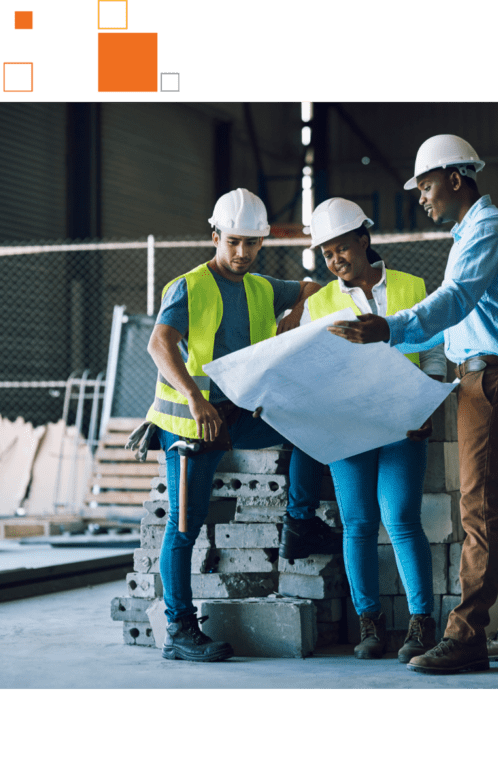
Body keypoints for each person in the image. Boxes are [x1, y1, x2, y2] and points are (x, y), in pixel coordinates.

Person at [328, 135, 498, 674]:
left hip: (495, 381)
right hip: (496, 377)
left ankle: (467, 635)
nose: (421, 198)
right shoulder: (471, 233)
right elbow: (455, 318)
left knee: (479, 508)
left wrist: (389, 327)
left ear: (456, 178)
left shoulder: (488, 231)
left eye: (426, 186)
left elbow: (453, 302)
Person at [143, 188, 339, 662]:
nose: (242, 253)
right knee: (184, 527)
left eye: (252, 244)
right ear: (215, 236)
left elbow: (313, 288)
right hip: (189, 424)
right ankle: (179, 630)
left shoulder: (262, 287)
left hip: (238, 414)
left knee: (310, 427)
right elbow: (159, 344)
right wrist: (194, 399)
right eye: (233, 242)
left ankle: (299, 522)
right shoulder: (187, 287)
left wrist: (293, 314)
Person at [303, 197, 447, 662]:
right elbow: (310, 366)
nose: (334, 260)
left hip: (402, 422)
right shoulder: (321, 302)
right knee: (359, 524)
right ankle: (370, 625)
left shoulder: (412, 286)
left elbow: (433, 352)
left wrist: (428, 400)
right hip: (347, 427)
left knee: (401, 518)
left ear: (364, 240)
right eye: (326, 254)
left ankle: (421, 623)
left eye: (340, 248)